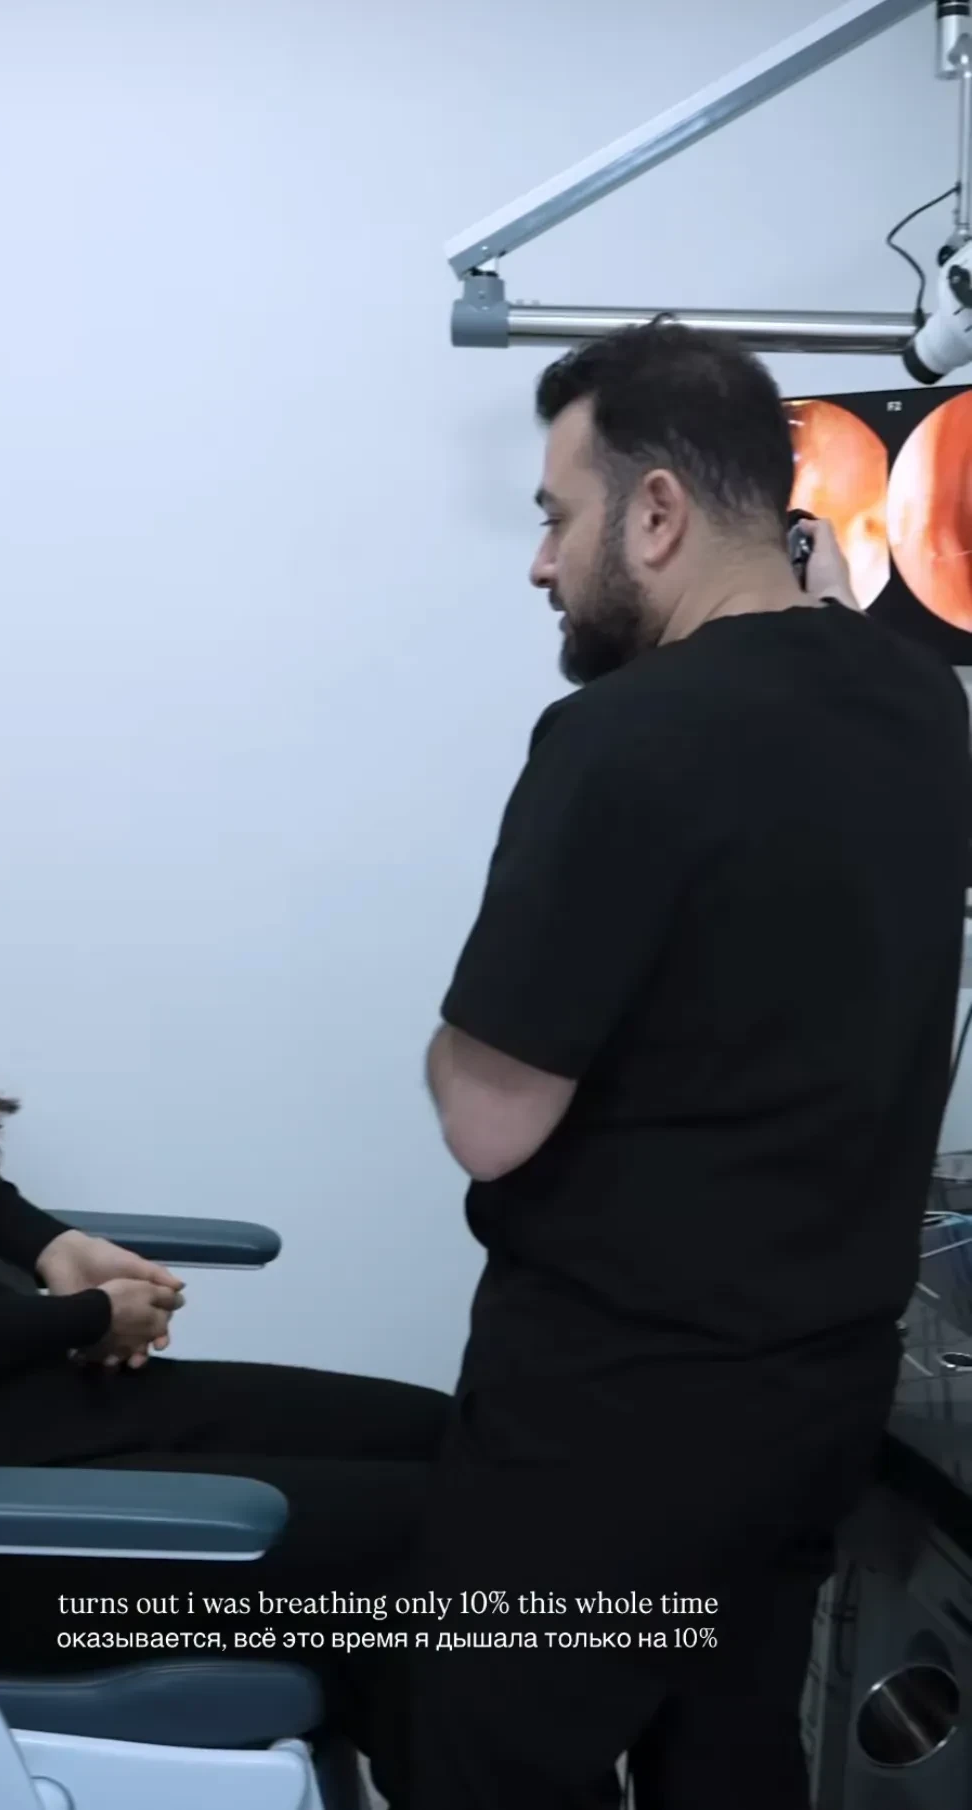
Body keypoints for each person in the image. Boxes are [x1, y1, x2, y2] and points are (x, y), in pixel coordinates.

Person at [413, 322, 972, 1809]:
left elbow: (487, 1120)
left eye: (556, 515)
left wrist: (450, 1039)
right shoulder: (926, 710)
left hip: (613, 1414)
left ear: (655, 510)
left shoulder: (619, 738)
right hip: (814, 1398)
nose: (541, 562)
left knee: (489, 1766)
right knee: (728, 1756)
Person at [0, 643, 446, 1801]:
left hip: (6, 1431)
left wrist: (47, 1245)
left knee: (457, 1441)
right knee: (442, 1530)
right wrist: (90, 1316)